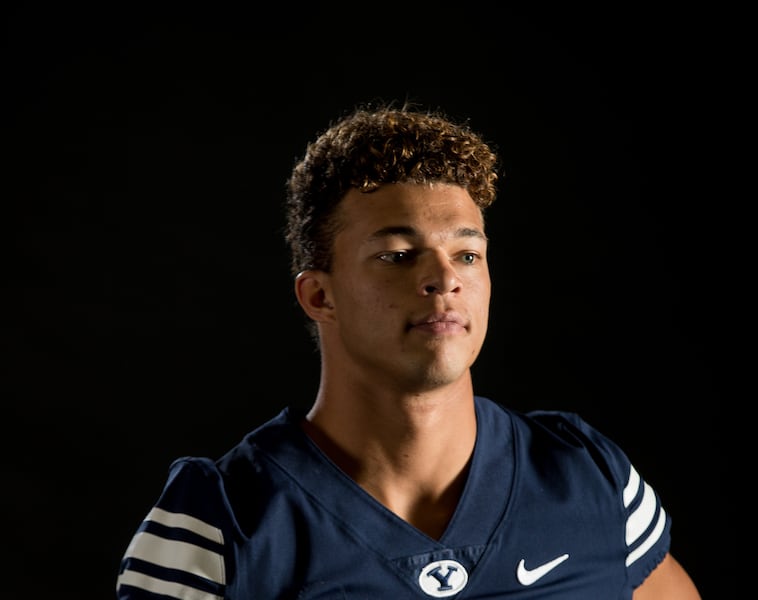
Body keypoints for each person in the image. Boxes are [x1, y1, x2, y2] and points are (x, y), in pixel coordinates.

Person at [115, 102, 702, 599]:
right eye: (397, 255)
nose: (444, 278)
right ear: (320, 296)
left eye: (467, 255)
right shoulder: (220, 524)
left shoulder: (587, 477)